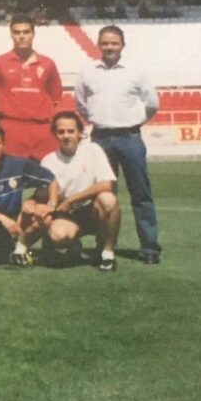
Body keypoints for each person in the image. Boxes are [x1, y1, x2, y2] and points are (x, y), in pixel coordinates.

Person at [75, 25, 161, 264]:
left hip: (130, 138)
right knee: (102, 195)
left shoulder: (136, 71)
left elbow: (152, 103)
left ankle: (150, 247)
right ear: (99, 45)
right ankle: (104, 243)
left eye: (114, 43)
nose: (109, 47)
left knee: (141, 194)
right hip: (100, 139)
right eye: (105, 43)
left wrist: (134, 121)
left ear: (122, 45)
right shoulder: (88, 71)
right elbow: (81, 104)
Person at [0, 124, 58, 267]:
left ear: (3, 145)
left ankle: (20, 248)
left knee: (46, 218)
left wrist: (51, 205)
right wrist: (2, 219)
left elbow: (51, 179)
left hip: (17, 220)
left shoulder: (18, 164)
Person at [40, 111, 121, 271]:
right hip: (69, 215)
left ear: (80, 133)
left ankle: (107, 252)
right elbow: (46, 195)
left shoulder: (93, 150)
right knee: (58, 236)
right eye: (61, 132)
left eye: (71, 131)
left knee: (108, 199)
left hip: (93, 210)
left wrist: (71, 200)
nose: (66, 136)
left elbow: (107, 184)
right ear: (54, 134)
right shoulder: (49, 161)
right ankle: (72, 243)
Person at [0, 15, 62, 161]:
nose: (21, 36)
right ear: (11, 34)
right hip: (12, 128)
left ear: (33, 34)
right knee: (13, 179)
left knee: (46, 178)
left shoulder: (47, 63)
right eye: (17, 32)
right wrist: (6, 116)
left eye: (26, 32)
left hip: (42, 130)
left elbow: (56, 97)